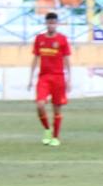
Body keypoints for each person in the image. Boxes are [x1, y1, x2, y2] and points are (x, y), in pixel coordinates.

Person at [27, 12, 71, 146]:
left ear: (57, 24)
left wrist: (69, 78)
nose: (51, 25)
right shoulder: (39, 39)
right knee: (40, 104)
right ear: (46, 23)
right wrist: (30, 78)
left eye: (54, 23)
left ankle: (55, 137)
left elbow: (67, 60)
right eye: (49, 23)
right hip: (44, 77)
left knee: (57, 109)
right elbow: (35, 58)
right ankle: (47, 130)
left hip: (58, 78)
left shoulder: (62, 39)